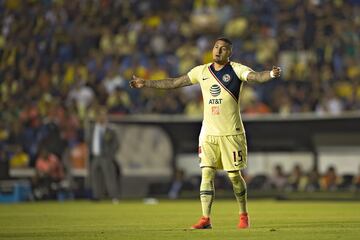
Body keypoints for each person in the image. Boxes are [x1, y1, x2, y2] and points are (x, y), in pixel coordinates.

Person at [130, 37, 281, 229]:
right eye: (216, 47)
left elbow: (257, 77)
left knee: (234, 176)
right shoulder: (201, 71)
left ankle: (243, 215)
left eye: (223, 49)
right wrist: (147, 83)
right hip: (208, 133)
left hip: (231, 133)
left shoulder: (236, 69)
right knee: (207, 174)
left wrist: (271, 74)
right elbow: (175, 82)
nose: (218, 51)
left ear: (229, 53)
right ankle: (205, 219)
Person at [89, 107, 121, 203]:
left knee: (110, 177)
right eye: (100, 115)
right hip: (95, 156)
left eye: (104, 115)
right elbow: (88, 141)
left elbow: (116, 144)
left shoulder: (110, 129)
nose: (102, 117)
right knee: (95, 178)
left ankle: (114, 197)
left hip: (105, 157)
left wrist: (110, 155)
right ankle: (96, 196)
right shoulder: (92, 128)